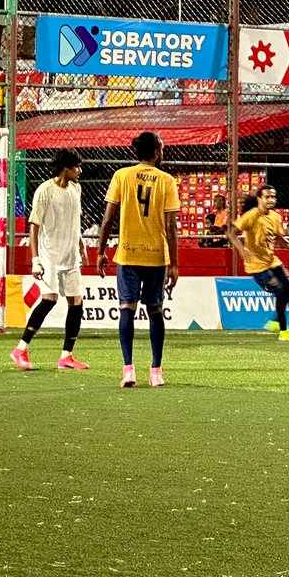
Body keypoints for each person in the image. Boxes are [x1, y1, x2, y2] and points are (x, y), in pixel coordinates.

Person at [97, 131, 180, 388]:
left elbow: (108, 218)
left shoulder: (122, 176)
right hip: (155, 255)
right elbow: (171, 226)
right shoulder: (166, 181)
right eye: (162, 148)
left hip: (128, 253)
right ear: (156, 152)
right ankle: (156, 371)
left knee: (127, 309)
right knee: (155, 311)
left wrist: (101, 250)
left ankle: (128, 369)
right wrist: (174, 263)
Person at [10, 149, 90, 371]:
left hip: (70, 255)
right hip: (50, 256)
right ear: (66, 168)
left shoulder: (76, 188)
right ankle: (20, 348)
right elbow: (34, 226)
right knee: (50, 299)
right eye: (77, 167)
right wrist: (36, 259)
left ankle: (66, 356)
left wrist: (81, 244)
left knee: (77, 302)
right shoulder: (44, 190)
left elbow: (74, 220)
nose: (80, 171)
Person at [228, 185, 289, 342]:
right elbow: (230, 232)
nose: (271, 200)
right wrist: (241, 250)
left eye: (273, 197)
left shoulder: (275, 217)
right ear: (259, 199)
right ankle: (283, 332)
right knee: (280, 291)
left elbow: (279, 239)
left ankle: (275, 322)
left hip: (272, 261)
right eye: (267, 197)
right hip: (256, 265)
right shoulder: (251, 216)